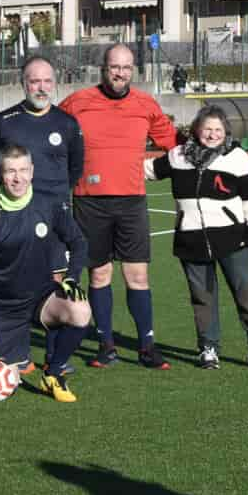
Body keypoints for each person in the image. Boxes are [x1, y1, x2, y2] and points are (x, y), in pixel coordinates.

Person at [60, 43, 178, 370]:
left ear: (133, 71)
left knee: (137, 275)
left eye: (126, 68)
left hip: (131, 202)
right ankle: (105, 345)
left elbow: (174, 143)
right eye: (115, 67)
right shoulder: (77, 103)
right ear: (103, 68)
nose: (120, 73)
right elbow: (52, 133)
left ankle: (146, 346)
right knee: (99, 275)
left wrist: (209, 146)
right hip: (89, 201)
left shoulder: (145, 104)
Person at [145, 105, 248, 371]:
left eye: (218, 129)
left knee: (247, 294)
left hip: (233, 240)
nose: (212, 134)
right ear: (196, 130)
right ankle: (208, 348)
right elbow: (146, 170)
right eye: (207, 129)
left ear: (225, 131)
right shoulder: (178, 156)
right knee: (202, 297)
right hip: (191, 241)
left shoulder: (237, 157)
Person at [0, 145, 92, 402]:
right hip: (2, 307)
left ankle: (54, 374)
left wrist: (71, 277)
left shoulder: (49, 204)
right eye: (11, 171)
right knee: (2, 387)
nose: (18, 178)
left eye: (23, 170)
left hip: (40, 298)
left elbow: (78, 242)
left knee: (80, 311)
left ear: (32, 171)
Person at [0, 56, 84, 373]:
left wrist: (51, 203)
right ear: (23, 83)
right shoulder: (5, 121)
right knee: (14, 282)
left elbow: (75, 169)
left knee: (55, 285)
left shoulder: (67, 124)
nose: (40, 87)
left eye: (46, 81)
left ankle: (54, 361)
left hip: (54, 221)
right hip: (15, 219)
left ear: (54, 83)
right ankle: (19, 352)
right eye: (34, 81)